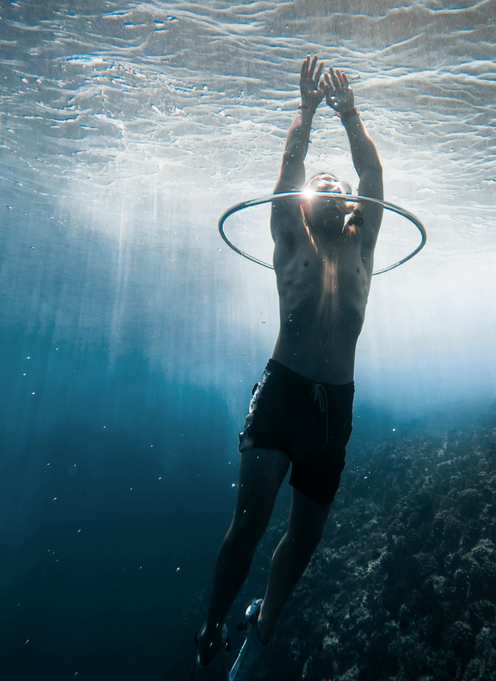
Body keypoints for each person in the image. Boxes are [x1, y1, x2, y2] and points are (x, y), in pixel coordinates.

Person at [190, 54, 383, 681]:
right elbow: (290, 171)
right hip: (284, 392)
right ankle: (214, 621)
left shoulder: (364, 242)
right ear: (303, 201)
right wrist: (303, 114)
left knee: (303, 538)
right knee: (248, 525)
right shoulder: (290, 237)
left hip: (335, 407)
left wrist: (350, 116)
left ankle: (262, 627)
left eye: (338, 186)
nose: (331, 187)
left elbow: (373, 171)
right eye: (319, 185)